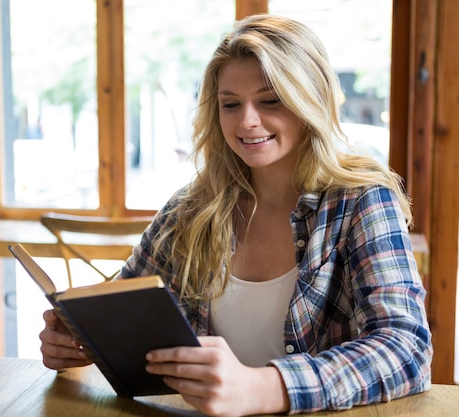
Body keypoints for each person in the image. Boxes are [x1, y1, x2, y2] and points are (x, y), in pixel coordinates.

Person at [39, 13, 432, 416]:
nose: (247, 121)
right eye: (231, 104)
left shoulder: (362, 200)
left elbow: (406, 349)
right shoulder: (190, 209)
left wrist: (265, 387)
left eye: (270, 100)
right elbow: (124, 310)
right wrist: (81, 340)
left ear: (309, 101)